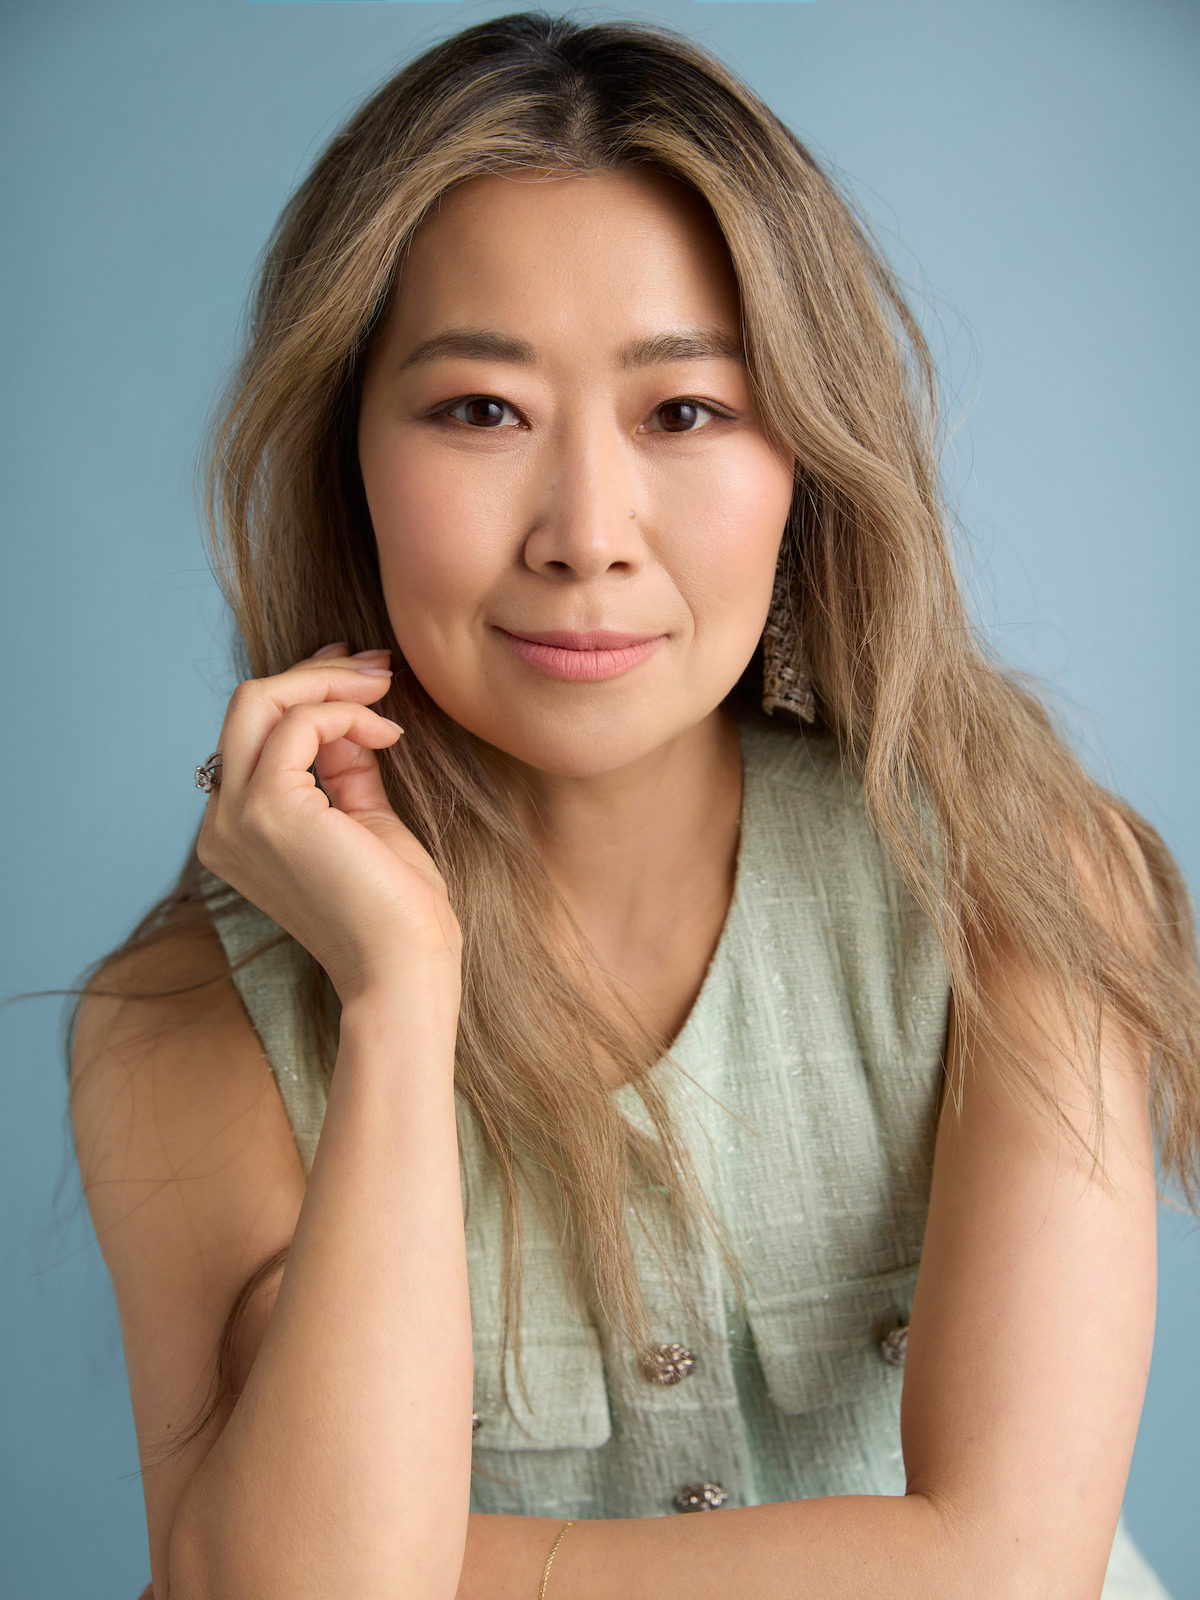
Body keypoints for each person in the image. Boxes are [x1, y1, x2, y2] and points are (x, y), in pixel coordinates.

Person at [68, 13, 1199, 1599]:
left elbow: (1010, 1570)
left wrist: (444, 1568)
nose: (587, 533)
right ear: (347, 458)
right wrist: (398, 1002)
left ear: (807, 454)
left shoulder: (1024, 879)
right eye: (479, 411)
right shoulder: (182, 1023)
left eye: (685, 414)